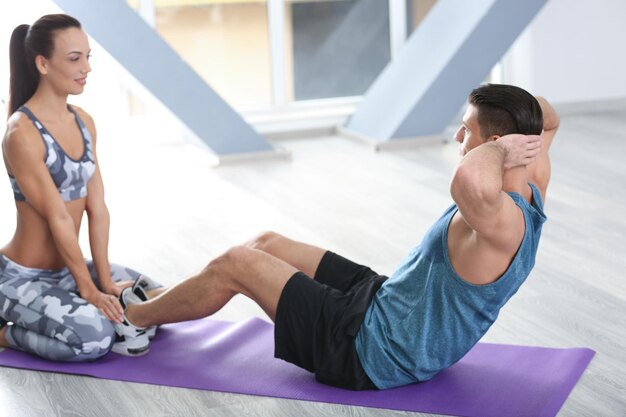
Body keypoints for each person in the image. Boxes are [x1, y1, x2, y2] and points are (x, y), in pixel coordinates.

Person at [118, 83, 558, 390]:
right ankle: (167, 296)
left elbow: (465, 180)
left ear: (498, 143)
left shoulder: (504, 222)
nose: (459, 136)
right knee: (267, 243)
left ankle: (132, 322)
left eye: (469, 131)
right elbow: (548, 118)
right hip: (385, 302)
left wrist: (496, 147)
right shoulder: (532, 180)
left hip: (372, 352)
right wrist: (512, 127)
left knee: (238, 263)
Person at [0, 14, 165, 361]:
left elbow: (98, 208)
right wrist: (89, 290)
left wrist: (104, 282)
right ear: (42, 64)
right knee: (95, 340)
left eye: (88, 57)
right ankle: (5, 332)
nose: (86, 68)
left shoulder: (84, 120)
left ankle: (79, 297)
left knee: (155, 300)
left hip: (68, 267)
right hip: (23, 278)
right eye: (74, 58)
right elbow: (59, 217)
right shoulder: (22, 133)